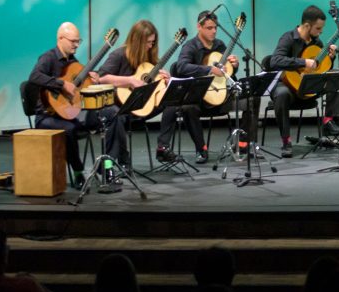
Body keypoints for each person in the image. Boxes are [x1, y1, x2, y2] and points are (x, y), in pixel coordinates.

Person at [28, 22, 127, 189]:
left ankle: (107, 167)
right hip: (47, 115)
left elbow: (79, 90)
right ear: (60, 39)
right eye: (73, 41)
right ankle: (78, 173)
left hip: (70, 112)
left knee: (112, 113)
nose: (76, 45)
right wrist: (60, 84)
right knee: (68, 129)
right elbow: (34, 76)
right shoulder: (48, 58)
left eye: (78, 41)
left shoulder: (73, 62)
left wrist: (92, 79)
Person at [161, 10, 239, 164]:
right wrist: (208, 69)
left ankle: (243, 145)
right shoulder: (190, 46)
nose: (214, 31)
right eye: (209, 28)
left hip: (220, 95)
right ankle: (201, 148)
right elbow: (182, 67)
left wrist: (234, 65)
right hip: (199, 99)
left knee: (250, 99)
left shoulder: (220, 45)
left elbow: (226, 71)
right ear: (199, 27)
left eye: (215, 27)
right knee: (189, 108)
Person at [266, 5, 339, 158]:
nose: (320, 32)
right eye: (318, 28)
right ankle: (286, 141)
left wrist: (331, 58)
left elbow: (321, 68)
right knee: (281, 93)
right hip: (289, 86)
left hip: (308, 87)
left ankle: (328, 120)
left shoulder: (317, 43)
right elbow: (274, 61)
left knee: (335, 75)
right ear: (307, 25)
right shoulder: (288, 38)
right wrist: (303, 62)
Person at [98, 20, 171, 177]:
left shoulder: (150, 58)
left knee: (172, 104)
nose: (151, 46)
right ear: (137, 41)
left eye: (153, 42)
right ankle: (122, 161)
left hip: (142, 106)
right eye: (148, 43)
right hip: (121, 108)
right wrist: (129, 80)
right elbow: (101, 77)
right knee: (117, 116)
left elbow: (156, 87)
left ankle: (163, 148)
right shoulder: (119, 55)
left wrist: (166, 80)